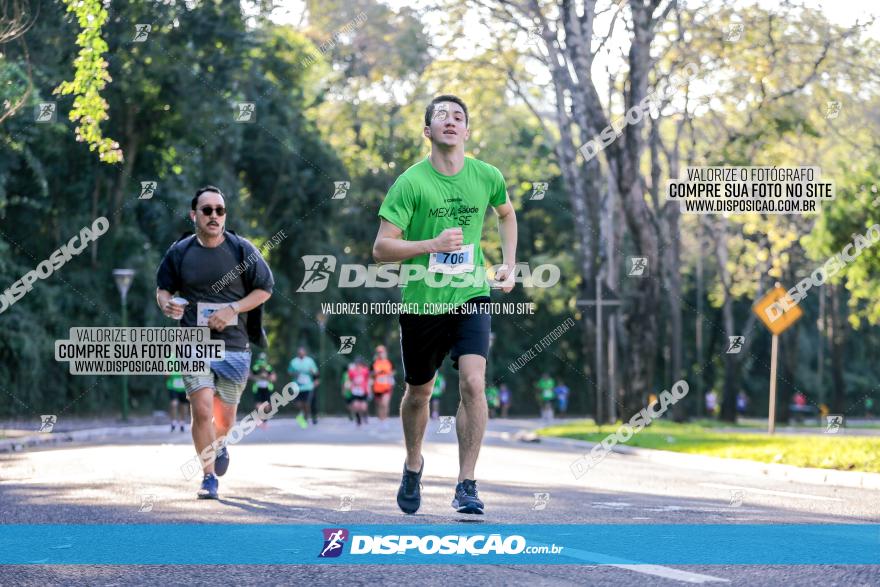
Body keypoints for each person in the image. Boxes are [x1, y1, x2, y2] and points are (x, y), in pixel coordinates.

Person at [373, 94, 518, 515]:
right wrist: (431, 245)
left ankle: (466, 483)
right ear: (428, 131)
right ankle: (414, 463)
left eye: (458, 117)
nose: (451, 121)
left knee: (474, 381)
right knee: (419, 393)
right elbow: (381, 248)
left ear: (468, 130)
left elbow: (506, 214)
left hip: (471, 293)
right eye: (441, 117)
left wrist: (509, 264)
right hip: (422, 302)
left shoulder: (487, 175)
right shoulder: (410, 183)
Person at [156, 185, 274, 499]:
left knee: (225, 418)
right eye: (207, 210)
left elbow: (264, 289)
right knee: (201, 408)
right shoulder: (180, 251)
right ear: (194, 214)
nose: (214, 216)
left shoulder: (241, 250)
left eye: (219, 210)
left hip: (235, 345)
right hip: (194, 342)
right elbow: (163, 289)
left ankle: (219, 444)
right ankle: (208, 477)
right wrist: (166, 304)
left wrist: (233, 308)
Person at [287, 346, 319, 429]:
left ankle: (306, 417)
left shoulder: (310, 361)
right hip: (297, 386)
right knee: (298, 404)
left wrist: (314, 373)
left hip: (308, 386)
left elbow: (316, 372)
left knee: (307, 403)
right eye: (299, 353)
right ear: (298, 353)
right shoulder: (293, 362)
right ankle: (303, 413)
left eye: (302, 352)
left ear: (305, 353)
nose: (301, 354)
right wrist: (294, 374)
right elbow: (289, 372)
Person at [370, 345, 396, 428]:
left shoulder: (389, 362)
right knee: (379, 404)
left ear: (385, 353)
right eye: (379, 352)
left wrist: (389, 374)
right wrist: (375, 372)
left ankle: (385, 420)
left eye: (382, 352)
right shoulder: (374, 363)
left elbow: (393, 372)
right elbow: (370, 374)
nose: (380, 354)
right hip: (377, 387)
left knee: (385, 403)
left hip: (386, 387)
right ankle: (380, 420)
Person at [250, 352, 276, 429]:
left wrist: (266, 377)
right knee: (258, 405)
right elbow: (250, 376)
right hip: (258, 388)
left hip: (267, 388)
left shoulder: (269, 368)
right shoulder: (255, 368)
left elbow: (273, 378)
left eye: (263, 359)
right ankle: (260, 419)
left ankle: (265, 421)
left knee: (267, 406)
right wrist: (259, 377)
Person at [347, 357, 371, 426]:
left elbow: (368, 379)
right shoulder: (352, 371)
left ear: (361, 364)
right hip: (355, 391)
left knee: (363, 407)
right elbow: (349, 379)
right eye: (356, 364)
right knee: (356, 405)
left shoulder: (365, 371)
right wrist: (349, 385)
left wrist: (368, 387)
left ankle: (365, 415)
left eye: (359, 364)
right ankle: (358, 420)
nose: (358, 366)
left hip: (363, 391)